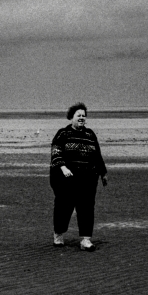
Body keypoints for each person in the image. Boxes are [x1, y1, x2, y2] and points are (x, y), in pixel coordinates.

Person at [50, 102, 108, 251]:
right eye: (78, 115)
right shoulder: (63, 133)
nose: (81, 118)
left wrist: (103, 173)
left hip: (88, 178)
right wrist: (63, 167)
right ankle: (58, 235)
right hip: (67, 178)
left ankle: (85, 240)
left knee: (87, 208)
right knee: (64, 207)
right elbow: (56, 151)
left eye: (83, 115)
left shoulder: (90, 134)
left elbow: (97, 155)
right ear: (71, 117)